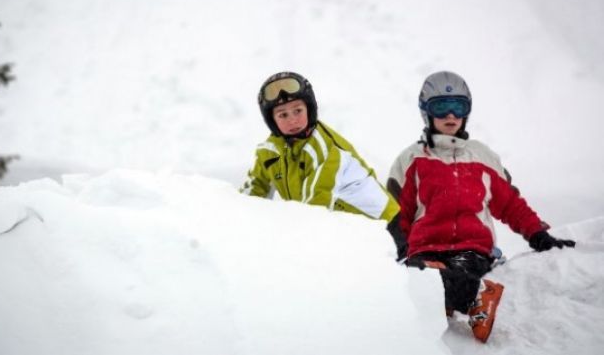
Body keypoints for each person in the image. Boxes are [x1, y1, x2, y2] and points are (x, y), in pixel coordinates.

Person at [386, 71, 575, 343]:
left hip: (471, 248)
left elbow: (510, 204)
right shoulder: (411, 159)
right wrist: (401, 246)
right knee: (424, 283)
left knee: (461, 274)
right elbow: (396, 210)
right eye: (441, 107)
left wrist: (537, 234)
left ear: (467, 111)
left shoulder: (482, 156)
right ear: (426, 111)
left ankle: (478, 299)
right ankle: (452, 307)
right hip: (424, 248)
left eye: (458, 107)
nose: (451, 115)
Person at [241, 71, 400, 244]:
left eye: (298, 111)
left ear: (310, 109)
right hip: (347, 230)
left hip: (387, 229)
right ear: (271, 120)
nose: (292, 120)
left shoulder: (324, 149)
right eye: (283, 115)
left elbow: (315, 206)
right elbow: (251, 196)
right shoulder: (269, 152)